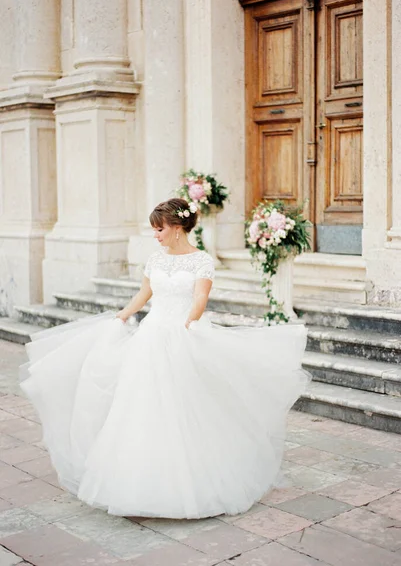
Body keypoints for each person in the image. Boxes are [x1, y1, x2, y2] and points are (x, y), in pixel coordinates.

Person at [20, 197, 310, 519]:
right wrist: (123, 315)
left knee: (186, 405)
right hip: (151, 336)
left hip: (184, 334)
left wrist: (191, 320)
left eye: (159, 229)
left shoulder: (201, 261)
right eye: (154, 230)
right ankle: (140, 479)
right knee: (142, 405)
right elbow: (144, 294)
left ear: (176, 228)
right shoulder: (155, 260)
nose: (155, 235)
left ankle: (194, 479)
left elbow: (200, 296)